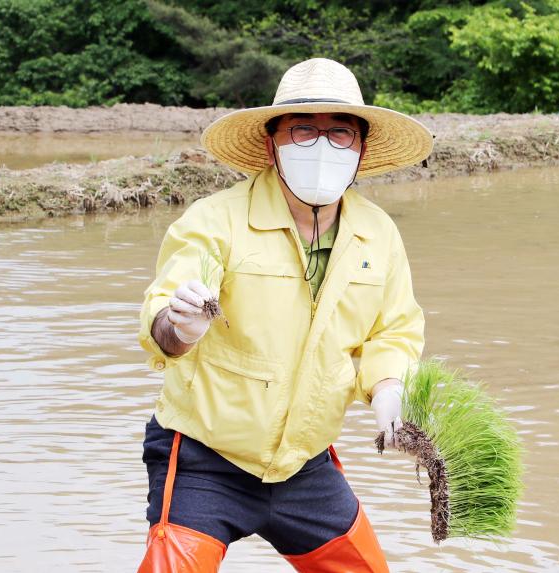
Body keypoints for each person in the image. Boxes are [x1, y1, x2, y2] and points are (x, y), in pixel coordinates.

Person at [136, 58, 433, 572]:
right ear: (273, 143)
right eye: (302, 131)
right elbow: (162, 316)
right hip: (205, 460)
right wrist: (180, 328)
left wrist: (388, 388)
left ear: (360, 148)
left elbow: (393, 330)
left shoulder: (377, 234)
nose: (321, 146)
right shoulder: (216, 221)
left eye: (339, 134)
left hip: (304, 466)